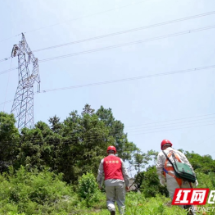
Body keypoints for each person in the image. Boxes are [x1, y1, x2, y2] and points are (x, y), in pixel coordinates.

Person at [156, 139, 198, 215]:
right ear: (170, 145)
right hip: (184, 176)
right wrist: (194, 179)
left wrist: (161, 180)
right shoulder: (180, 153)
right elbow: (189, 166)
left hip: (171, 178)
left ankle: (183, 212)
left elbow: (159, 168)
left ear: (162, 147)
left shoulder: (161, 153)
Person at [97, 146, 130, 215]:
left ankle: (112, 208)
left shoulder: (103, 160)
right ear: (115, 152)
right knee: (121, 201)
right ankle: (122, 214)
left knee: (110, 200)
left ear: (107, 152)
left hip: (108, 182)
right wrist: (127, 185)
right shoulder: (120, 160)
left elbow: (100, 173)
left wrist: (99, 184)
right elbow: (125, 173)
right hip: (120, 181)